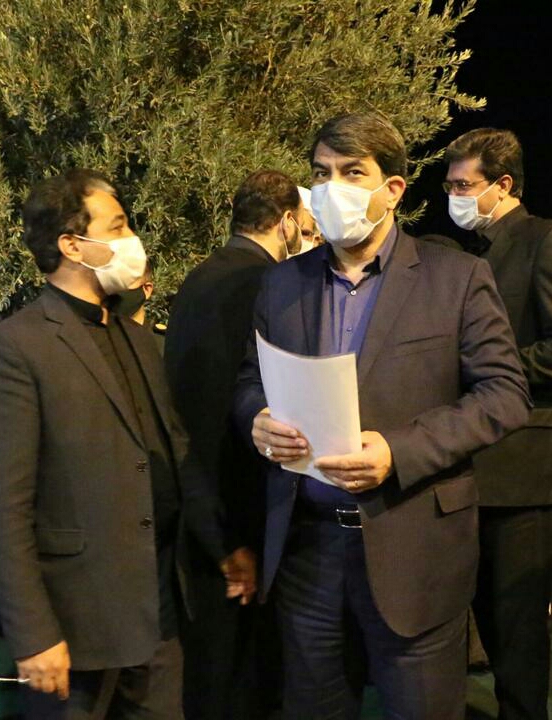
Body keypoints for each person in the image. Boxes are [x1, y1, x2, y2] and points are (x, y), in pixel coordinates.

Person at [234, 113, 530, 719]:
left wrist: (399, 451)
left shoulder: (457, 278)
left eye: (352, 173)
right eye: (321, 173)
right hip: (307, 554)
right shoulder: (281, 284)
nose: (330, 188)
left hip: (415, 548)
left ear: (392, 189)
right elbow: (248, 381)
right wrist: (256, 417)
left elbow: (505, 393)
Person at [0, 169, 254, 719]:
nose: (132, 240)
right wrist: (33, 633)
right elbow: (1, 505)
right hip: (76, 621)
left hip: (158, 609)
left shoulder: (138, 339)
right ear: (72, 245)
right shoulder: (14, 347)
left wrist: (223, 546)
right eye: (117, 227)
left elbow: (175, 454)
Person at [444, 127, 552, 720]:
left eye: (464, 186)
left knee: (517, 629)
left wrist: (490, 368)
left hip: (525, 472)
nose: (454, 196)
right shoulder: (468, 253)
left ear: (503, 185)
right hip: (472, 465)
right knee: (484, 617)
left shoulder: (546, 241)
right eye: (450, 185)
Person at [165, 169, 303, 719]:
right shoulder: (264, 283)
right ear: (287, 222)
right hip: (234, 510)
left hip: (200, 505)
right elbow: (230, 407)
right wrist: (231, 536)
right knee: (241, 679)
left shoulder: (203, 276)